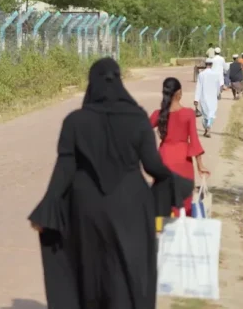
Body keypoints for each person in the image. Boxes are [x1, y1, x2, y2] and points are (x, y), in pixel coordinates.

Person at [28, 58, 192, 309]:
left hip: (86, 207)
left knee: (89, 269)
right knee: (126, 268)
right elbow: (153, 166)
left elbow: (64, 169)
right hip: (131, 205)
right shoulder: (137, 118)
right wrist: (177, 184)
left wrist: (46, 210)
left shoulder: (75, 122)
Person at [150, 77, 209, 217]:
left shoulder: (158, 114)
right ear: (179, 93)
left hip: (163, 159)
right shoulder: (188, 114)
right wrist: (200, 165)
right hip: (183, 161)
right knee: (183, 201)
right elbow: (194, 141)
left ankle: (163, 232)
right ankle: (181, 231)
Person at [195, 58, 221, 138]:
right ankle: (208, 127)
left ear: (205, 65)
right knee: (211, 114)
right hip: (213, 98)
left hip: (204, 98)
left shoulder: (201, 74)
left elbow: (198, 87)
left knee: (205, 115)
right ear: (212, 65)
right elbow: (218, 87)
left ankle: (207, 128)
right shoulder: (216, 74)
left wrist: (196, 99)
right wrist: (218, 94)